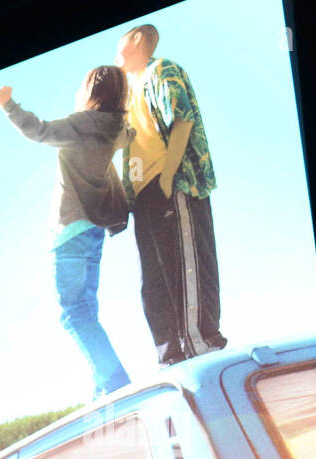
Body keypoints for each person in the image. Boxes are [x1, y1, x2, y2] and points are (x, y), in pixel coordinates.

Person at [0, 67, 135, 399]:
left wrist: (7, 104)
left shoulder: (82, 124)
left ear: (91, 91)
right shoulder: (115, 129)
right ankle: (103, 389)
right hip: (94, 230)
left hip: (70, 229)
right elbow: (130, 135)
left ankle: (116, 386)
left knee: (74, 314)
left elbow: (39, 131)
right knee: (86, 309)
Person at [114, 24, 225, 366]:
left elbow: (181, 120)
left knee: (185, 268)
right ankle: (171, 355)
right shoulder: (126, 92)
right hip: (143, 198)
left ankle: (201, 344)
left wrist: (167, 178)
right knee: (155, 281)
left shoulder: (161, 70)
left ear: (135, 39)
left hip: (173, 186)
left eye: (120, 40)